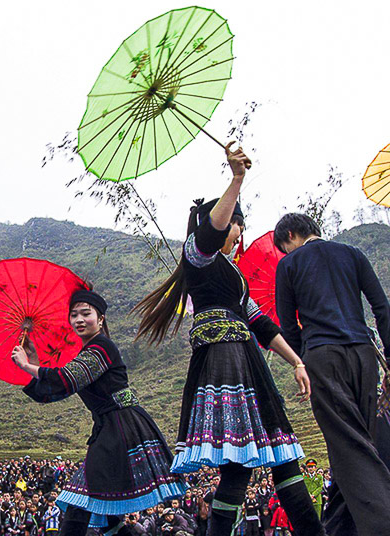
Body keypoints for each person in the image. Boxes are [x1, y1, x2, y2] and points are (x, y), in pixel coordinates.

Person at [134, 144, 323, 536]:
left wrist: (297, 362)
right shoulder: (197, 256)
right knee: (239, 467)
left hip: (248, 364)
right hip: (224, 363)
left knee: (276, 462)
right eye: (238, 225)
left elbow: (262, 325)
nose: (239, 233)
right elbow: (211, 232)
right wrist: (236, 179)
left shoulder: (234, 278)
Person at [13, 289, 185, 535]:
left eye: (86, 313)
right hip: (110, 429)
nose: (79, 320)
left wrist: (27, 365)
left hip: (121, 428)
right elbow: (54, 390)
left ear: (101, 318)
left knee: (80, 502)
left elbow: (68, 378)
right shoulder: (88, 352)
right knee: (106, 509)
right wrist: (33, 359)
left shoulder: (101, 347)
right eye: (74, 315)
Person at [273, 212, 390, 536]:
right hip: (363, 356)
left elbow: (286, 325)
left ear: (292, 234)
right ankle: (338, 529)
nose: (286, 253)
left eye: (286, 247)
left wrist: (301, 362)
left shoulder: (289, 265)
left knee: (351, 447)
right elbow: (381, 307)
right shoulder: (353, 254)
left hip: (324, 359)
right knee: (355, 443)